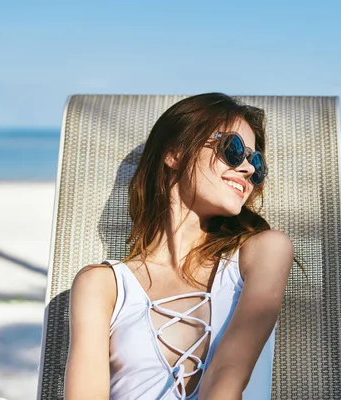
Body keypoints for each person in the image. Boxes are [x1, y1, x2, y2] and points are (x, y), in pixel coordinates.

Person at [64, 92, 294, 400]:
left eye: (256, 162)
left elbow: (226, 382)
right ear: (174, 152)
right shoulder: (103, 285)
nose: (249, 169)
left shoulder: (262, 253)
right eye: (233, 149)